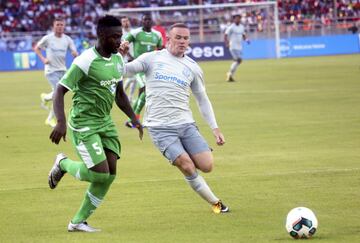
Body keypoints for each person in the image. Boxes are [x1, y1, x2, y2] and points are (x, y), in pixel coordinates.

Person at [48, 15, 143, 232]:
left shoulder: (118, 60)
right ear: (101, 36)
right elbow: (59, 90)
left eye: (120, 36)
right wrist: (60, 122)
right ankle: (62, 164)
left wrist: (135, 119)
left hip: (105, 122)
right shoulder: (85, 61)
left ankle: (77, 222)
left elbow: (119, 95)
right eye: (114, 37)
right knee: (100, 173)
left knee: (110, 175)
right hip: (84, 123)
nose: (119, 41)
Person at [123, 23, 229, 214]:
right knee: (187, 166)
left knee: (207, 165)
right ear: (168, 39)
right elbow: (125, 70)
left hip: (186, 125)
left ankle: (188, 155)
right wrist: (119, 54)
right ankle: (217, 204)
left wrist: (215, 128)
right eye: (178, 37)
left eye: (186, 38)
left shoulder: (193, 67)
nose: (182, 41)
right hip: (160, 128)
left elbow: (202, 99)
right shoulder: (151, 58)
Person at [34, 17, 78, 127]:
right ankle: (50, 119)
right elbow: (36, 48)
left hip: (63, 70)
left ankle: (45, 97)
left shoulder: (67, 39)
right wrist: (43, 59)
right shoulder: (48, 38)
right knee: (58, 95)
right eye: (57, 24)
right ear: (53, 26)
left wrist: (74, 54)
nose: (59, 27)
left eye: (61, 25)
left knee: (58, 95)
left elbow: (73, 50)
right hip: (51, 70)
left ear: (64, 26)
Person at [124, 13, 163, 128]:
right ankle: (136, 119)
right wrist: (129, 56)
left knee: (143, 94)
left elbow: (160, 49)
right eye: (145, 20)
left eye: (149, 20)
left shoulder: (157, 35)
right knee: (146, 89)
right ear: (142, 21)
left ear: (152, 22)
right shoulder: (135, 33)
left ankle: (132, 120)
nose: (147, 22)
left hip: (152, 68)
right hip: (139, 67)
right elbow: (124, 44)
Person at [224, 14, 249, 82]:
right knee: (238, 60)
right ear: (234, 19)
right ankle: (229, 74)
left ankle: (230, 75)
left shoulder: (241, 27)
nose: (237, 19)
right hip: (232, 46)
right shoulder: (231, 27)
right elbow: (225, 35)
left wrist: (246, 40)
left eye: (239, 18)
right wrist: (226, 43)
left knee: (237, 61)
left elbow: (243, 35)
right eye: (236, 18)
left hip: (239, 47)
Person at [120, 16, 137, 106]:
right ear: (122, 23)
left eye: (127, 21)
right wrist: (129, 56)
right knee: (132, 78)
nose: (126, 23)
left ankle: (129, 97)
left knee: (134, 79)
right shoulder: (121, 33)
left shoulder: (133, 32)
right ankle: (122, 94)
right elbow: (122, 47)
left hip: (134, 57)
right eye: (124, 21)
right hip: (125, 58)